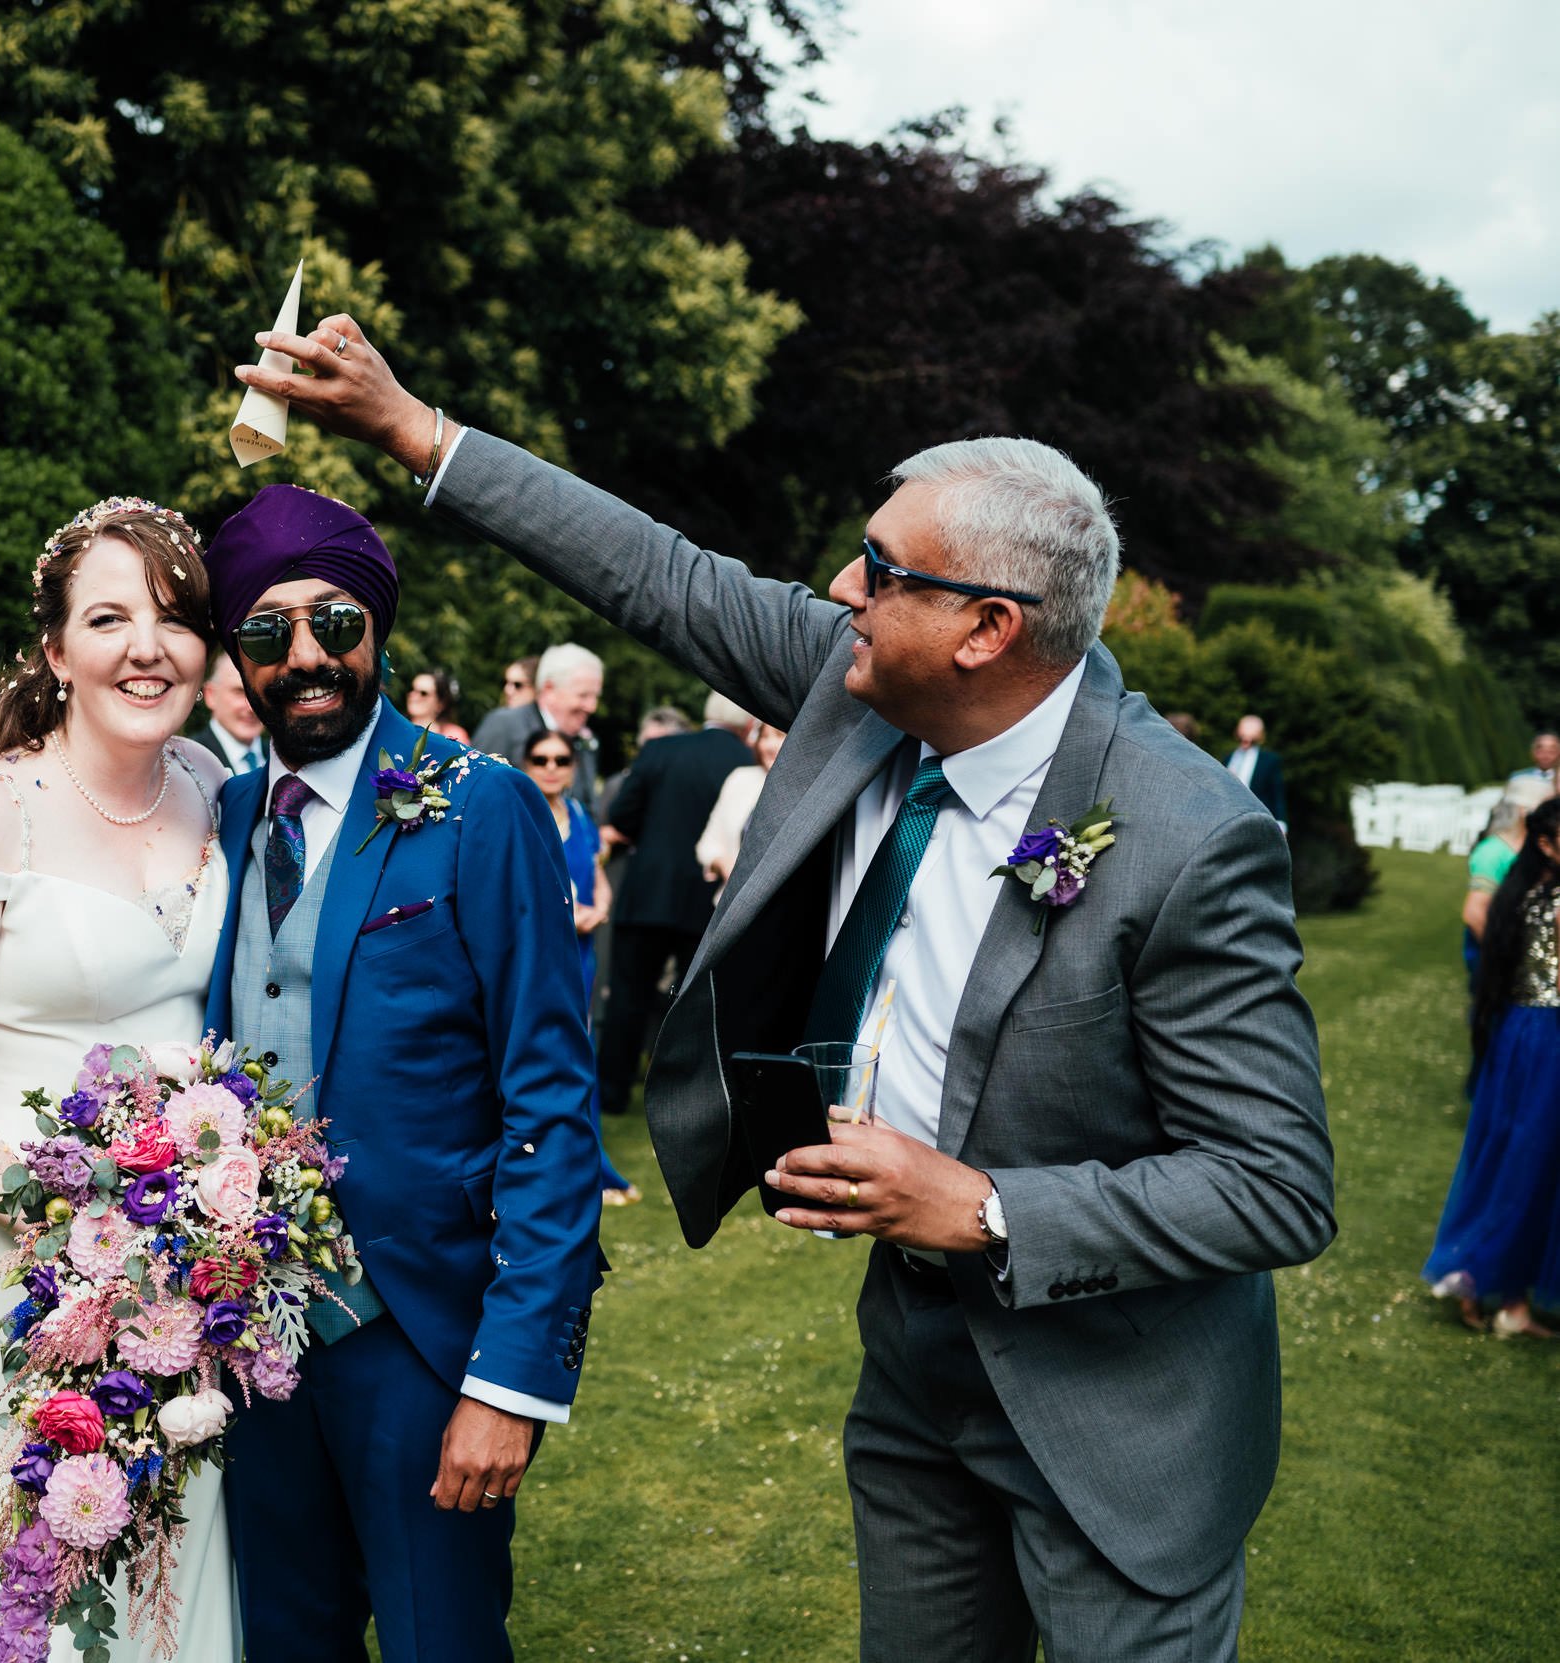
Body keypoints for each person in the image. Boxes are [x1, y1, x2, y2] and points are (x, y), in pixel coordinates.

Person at [241, 319, 1336, 1662]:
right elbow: (658, 573)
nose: (841, 587)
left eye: (878, 569)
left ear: (987, 627)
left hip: (1121, 1408)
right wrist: (413, 428)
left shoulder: (1187, 834)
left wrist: (980, 1204)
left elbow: (1277, 1180)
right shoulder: (860, 685)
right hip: (917, 1375)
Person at [197, 485, 604, 1663]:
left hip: (420, 1339)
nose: (309, 655)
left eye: (336, 622)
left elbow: (551, 1103)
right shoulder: (221, 817)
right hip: (247, 1343)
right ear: (238, 657)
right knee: (280, 1640)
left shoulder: (482, 806)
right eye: (269, 634)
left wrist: (508, 1382)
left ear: (377, 626)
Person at [0, 498, 238, 1662]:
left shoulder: (209, 780)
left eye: (175, 618)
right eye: (109, 617)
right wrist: (76, 1230)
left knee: (184, 1544)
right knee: (45, 1542)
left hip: (195, 1248)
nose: (148, 647)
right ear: (55, 650)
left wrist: (198, 1217)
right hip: (27, 1249)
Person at [1425, 797, 1560, 1338]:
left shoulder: (1522, 893)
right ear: (1548, 844)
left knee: (1510, 1153)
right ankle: (1487, 1281)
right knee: (1532, 1163)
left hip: (1517, 1035)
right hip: (1549, 1038)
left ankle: (1502, 1293)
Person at [597, 693, 753, 1119]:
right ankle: (676, 1100)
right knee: (689, 1007)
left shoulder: (662, 749)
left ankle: (610, 1094)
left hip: (648, 891)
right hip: (706, 899)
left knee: (626, 996)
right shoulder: (747, 763)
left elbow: (622, 814)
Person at [521, 727, 637, 1205]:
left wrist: (601, 907)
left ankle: (591, 1163)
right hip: (542, 950)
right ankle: (555, 1164)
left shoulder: (581, 814)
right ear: (527, 763)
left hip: (583, 951)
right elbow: (519, 886)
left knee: (581, 1047)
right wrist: (570, 914)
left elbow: (596, 873)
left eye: (561, 759)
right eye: (541, 759)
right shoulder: (522, 815)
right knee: (547, 1049)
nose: (551, 767)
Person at [470, 642, 604, 802]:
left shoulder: (585, 741)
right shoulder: (503, 725)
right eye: (583, 695)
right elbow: (475, 793)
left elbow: (589, 806)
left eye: (595, 696)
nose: (592, 707)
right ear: (549, 690)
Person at [1464, 780, 1551, 983]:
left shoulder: (1528, 848)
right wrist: (1503, 958)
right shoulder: (1493, 851)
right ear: (1524, 811)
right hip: (1496, 952)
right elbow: (1474, 912)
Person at [697, 721, 786, 890]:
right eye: (764, 737)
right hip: (732, 900)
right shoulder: (740, 779)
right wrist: (723, 864)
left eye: (779, 736)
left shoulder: (809, 787)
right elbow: (708, 843)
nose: (769, 745)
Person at [195, 650, 267, 773]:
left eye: (260, 693)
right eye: (239, 692)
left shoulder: (282, 759)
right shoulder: (189, 760)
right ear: (210, 695)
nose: (251, 707)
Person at [1226, 713, 1287, 827]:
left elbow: (1276, 793)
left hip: (1256, 819)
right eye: (1243, 737)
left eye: (1250, 738)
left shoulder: (1269, 761)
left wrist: (1281, 822)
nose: (1246, 741)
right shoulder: (1229, 758)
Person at [405, 664, 471, 744]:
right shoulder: (397, 728)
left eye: (423, 693)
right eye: (411, 689)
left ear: (440, 703)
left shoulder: (455, 736)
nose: (413, 695)